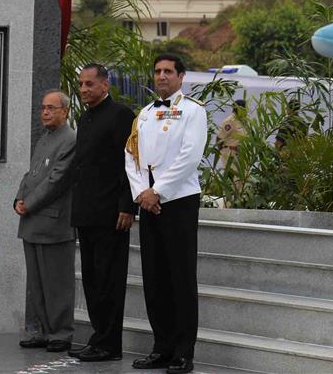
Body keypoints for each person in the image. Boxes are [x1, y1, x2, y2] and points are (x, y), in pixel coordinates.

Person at [126, 54, 207, 374]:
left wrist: (157, 191)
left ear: (181, 76)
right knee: (155, 277)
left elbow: (190, 156)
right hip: (148, 203)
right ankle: (161, 347)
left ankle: (183, 352)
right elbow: (131, 157)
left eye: (168, 72)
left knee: (181, 278)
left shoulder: (193, 111)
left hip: (178, 200)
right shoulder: (144, 114)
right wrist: (141, 194)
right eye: (157, 71)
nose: (161, 76)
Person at [70, 65, 136, 363]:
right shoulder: (84, 118)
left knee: (109, 281)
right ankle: (99, 339)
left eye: (89, 84)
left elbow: (130, 163)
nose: (83, 89)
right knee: (92, 281)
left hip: (112, 213)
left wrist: (127, 205)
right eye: (81, 84)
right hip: (86, 212)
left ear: (104, 85)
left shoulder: (120, 115)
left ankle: (110, 345)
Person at [15, 89, 78, 353]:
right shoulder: (44, 138)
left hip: (54, 222)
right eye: (43, 108)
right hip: (32, 221)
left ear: (65, 111)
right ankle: (39, 330)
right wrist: (18, 198)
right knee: (36, 282)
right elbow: (32, 174)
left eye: (51, 108)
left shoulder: (71, 139)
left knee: (57, 282)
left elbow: (57, 180)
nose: (45, 112)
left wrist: (28, 203)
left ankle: (60, 333)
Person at [215, 100, 247, 169]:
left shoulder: (242, 120)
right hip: (230, 154)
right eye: (244, 109)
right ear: (238, 109)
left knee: (241, 178)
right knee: (234, 178)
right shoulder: (230, 121)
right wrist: (223, 152)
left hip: (240, 154)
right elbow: (219, 138)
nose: (246, 111)